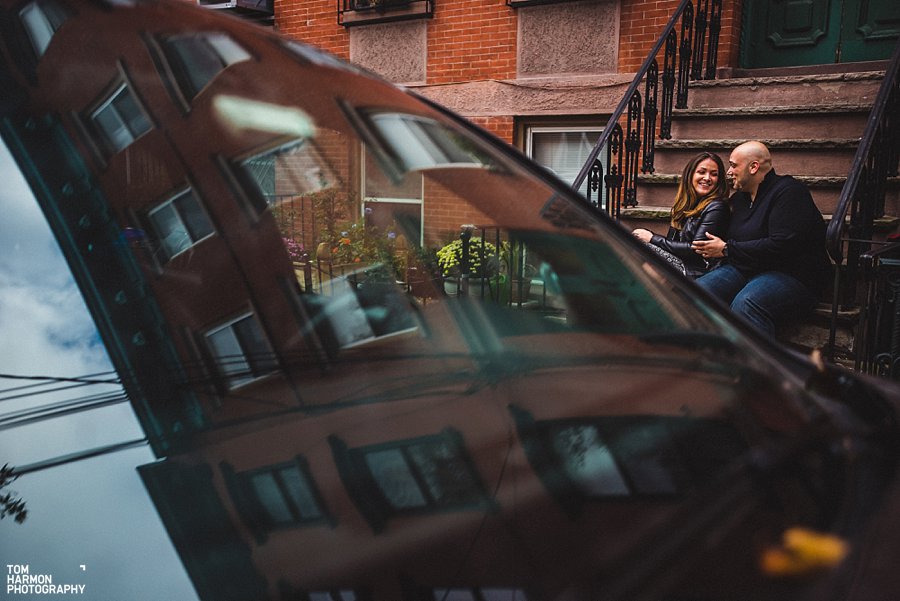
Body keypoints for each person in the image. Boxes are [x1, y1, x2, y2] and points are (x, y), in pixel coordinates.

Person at [691, 141, 831, 336]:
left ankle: (757, 365)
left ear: (753, 167)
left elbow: (782, 245)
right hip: (746, 268)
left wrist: (726, 249)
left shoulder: (789, 192)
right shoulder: (739, 199)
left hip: (793, 274)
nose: (729, 172)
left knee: (747, 303)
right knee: (695, 293)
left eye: (733, 165)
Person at [632, 152, 730, 278]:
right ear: (690, 175)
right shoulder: (685, 205)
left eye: (714, 174)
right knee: (633, 246)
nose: (707, 177)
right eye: (701, 172)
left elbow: (696, 249)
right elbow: (671, 242)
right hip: (681, 261)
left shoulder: (717, 207)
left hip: (697, 269)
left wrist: (652, 238)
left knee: (645, 255)